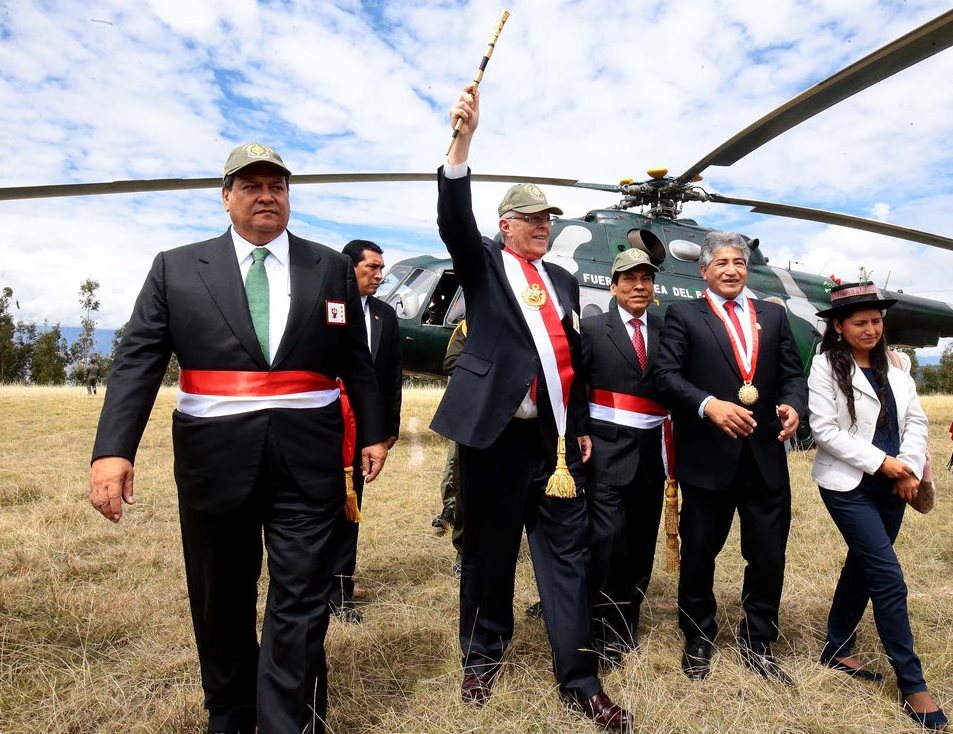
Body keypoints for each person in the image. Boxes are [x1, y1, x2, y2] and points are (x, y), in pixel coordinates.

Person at [88, 142, 388, 734]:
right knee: (221, 597)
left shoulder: (328, 266)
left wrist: (375, 432)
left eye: (277, 185)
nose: (266, 195)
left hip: (308, 458)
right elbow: (137, 361)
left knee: (301, 599)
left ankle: (287, 721)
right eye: (250, 185)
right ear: (226, 198)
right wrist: (113, 451)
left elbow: (356, 358)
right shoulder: (176, 267)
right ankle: (229, 714)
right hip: (213, 462)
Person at [430, 83, 631, 731]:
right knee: (489, 555)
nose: (543, 225)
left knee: (567, 558)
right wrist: (463, 141)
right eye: (531, 218)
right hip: (493, 437)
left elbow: (570, 361)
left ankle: (579, 678)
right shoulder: (483, 262)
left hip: (553, 447)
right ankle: (482, 655)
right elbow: (452, 221)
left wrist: (579, 431)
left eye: (549, 218)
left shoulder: (564, 280)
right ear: (505, 226)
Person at [653, 230, 807, 684]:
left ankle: (757, 640)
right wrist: (708, 405)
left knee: (767, 556)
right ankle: (698, 636)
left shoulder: (774, 317)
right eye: (721, 262)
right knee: (700, 554)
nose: (731, 270)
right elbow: (664, 377)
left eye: (739, 262)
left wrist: (795, 405)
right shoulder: (682, 315)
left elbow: (793, 376)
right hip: (707, 460)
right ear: (704, 270)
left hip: (764, 459)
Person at [809, 281, 946, 730]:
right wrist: (887, 465)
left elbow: (917, 421)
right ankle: (913, 685)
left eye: (876, 321)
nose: (871, 329)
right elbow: (826, 431)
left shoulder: (898, 365)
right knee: (888, 578)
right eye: (860, 322)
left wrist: (906, 468)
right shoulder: (825, 367)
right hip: (849, 485)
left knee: (864, 567)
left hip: (894, 486)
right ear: (839, 326)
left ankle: (836, 646)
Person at [581, 247, 666, 666]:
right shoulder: (593, 329)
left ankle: (624, 623)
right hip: (604, 454)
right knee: (607, 540)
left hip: (653, 458)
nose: (639, 286)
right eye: (629, 279)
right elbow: (575, 388)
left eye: (646, 279)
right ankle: (596, 624)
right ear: (612, 286)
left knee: (640, 544)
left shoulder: (669, 330)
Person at [329, 239, 402, 623]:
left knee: (350, 509)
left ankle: (341, 592)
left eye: (380, 267)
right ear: (348, 267)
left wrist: (387, 429)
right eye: (371, 267)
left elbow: (391, 377)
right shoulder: (324, 306)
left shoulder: (385, 317)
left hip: (362, 432)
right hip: (321, 427)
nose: (378, 274)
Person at [431, 318, 467, 576]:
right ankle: (462, 549)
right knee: (458, 471)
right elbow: (450, 361)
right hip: (469, 413)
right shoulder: (467, 326)